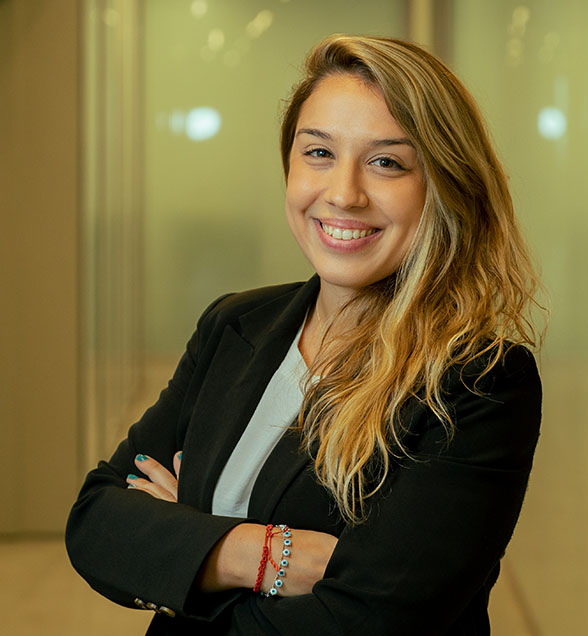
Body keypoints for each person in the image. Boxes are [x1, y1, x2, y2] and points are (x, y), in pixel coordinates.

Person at [66, 34, 543, 636]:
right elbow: (96, 522)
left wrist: (183, 549)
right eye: (318, 152)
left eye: (386, 161)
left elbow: (368, 620)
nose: (343, 193)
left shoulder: (477, 380)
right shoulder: (234, 323)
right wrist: (269, 555)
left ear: (444, 185)